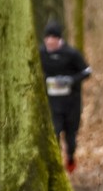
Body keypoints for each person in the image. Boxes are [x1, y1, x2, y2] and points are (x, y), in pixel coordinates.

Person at [39, 20, 92, 173]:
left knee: (70, 137)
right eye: (47, 38)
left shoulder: (71, 54)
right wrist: (46, 80)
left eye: (53, 38)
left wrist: (70, 80)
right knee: (54, 132)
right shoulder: (41, 53)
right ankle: (55, 165)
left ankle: (70, 158)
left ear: (59, 39)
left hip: (71, 102)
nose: (49, 41)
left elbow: (87, 71)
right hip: (52, 102)